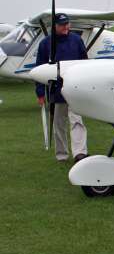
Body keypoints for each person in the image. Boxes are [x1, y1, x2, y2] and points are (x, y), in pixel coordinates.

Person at [35, 13, 89, 162]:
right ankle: (62, 154)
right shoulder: (45, 44)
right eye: (62, 24)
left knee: (77, 120)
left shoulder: (77, 40)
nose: (66, 27)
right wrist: (40, 92)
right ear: (55, 26)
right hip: (56, 91)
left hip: (75, 89)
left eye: (67, 23)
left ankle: (80, 153)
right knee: (59, 124)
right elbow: (39, 68)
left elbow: (85, 63)